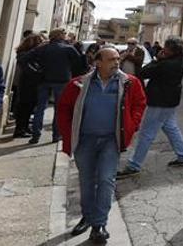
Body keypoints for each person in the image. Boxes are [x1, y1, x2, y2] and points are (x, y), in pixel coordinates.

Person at [57, 46, 146, 244]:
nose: (116, 63)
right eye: (111, 59)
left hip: (111, 140)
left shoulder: (130, 83)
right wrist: (67, 133)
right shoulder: (78, 84)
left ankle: (99, 225)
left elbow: (140, 103)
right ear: (98, 62)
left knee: (106, 179)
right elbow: (63, 109)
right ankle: (87, 216)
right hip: (85, 140)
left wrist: (132, 125)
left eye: (117, 59)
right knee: (87, 180)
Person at [117, 37, 183, 178]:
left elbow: (143, 72)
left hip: (160, 101)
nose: (164, 49)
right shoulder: (181, 59)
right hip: (171, 100)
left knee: (146, 134)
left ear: (171, 50)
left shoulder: (165, 64)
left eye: (166, 47)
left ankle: (134, 165)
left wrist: (157, 59)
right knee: (170, 127)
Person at [26, 28, 88, 144]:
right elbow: (80, 64)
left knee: (40, 108)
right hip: (62, 81)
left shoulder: (43, 48)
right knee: (59, 109)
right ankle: (56, 135)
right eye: (64, 33)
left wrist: (35, 71)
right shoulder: (68, 48)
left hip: (44, 80)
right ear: (59, 35)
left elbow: (25, 58)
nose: (66, 35)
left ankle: (35, 135)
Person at [13, 33, 44, 138]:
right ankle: (19, 129)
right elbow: (25, 64)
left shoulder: (33, 54)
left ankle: (24, 127)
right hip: (26, 83)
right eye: (39, 41)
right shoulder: (24, 53)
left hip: (33, 84)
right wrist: (37, 73)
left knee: (29, 107)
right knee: (24, 107)